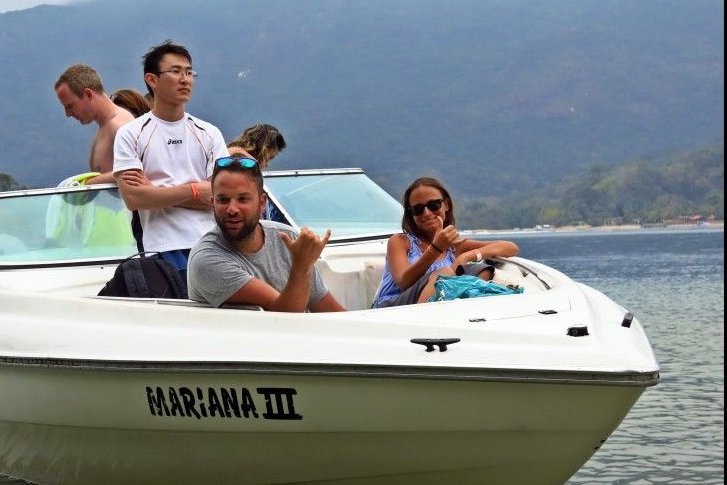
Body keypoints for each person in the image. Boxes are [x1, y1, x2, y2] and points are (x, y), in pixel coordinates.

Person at [112, 40, 229, 280]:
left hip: (213, 244)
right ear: (151, 80)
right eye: (175, 71)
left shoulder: (209, 133)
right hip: (161, 249)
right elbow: (134, 199)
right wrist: (197, 190)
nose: (185, 79)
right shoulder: (131, 133)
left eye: (189, 72)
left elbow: (220, 197)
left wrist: (154, 193)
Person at [187, 153, 346, 313]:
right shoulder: (207, 260)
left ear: (262, 203)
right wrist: (301, 266)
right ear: (212, 202)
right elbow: (286, 318)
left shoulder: (287, 238)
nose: (232, 209)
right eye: (223, 200)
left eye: (243, 199)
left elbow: (331, 312)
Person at [372, 176, 519, 307]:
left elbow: (510, 247)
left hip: (438, 305)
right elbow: (403, 282)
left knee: (481, 269)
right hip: (391, 308)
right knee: (444, 273)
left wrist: (466, 256)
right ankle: (423, 327)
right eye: (418, 209)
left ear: (446, 205)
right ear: (411, 214)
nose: (427, 213)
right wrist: (436, 248)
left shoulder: (454, 247)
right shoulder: (400, 241)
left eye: (434, 205)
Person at [54, 64, 134, 186]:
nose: (68, 114)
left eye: (70, 106)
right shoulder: (103, 128)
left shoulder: (120, 125)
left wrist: (82, 184)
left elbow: (135, 173)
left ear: (88, 94)